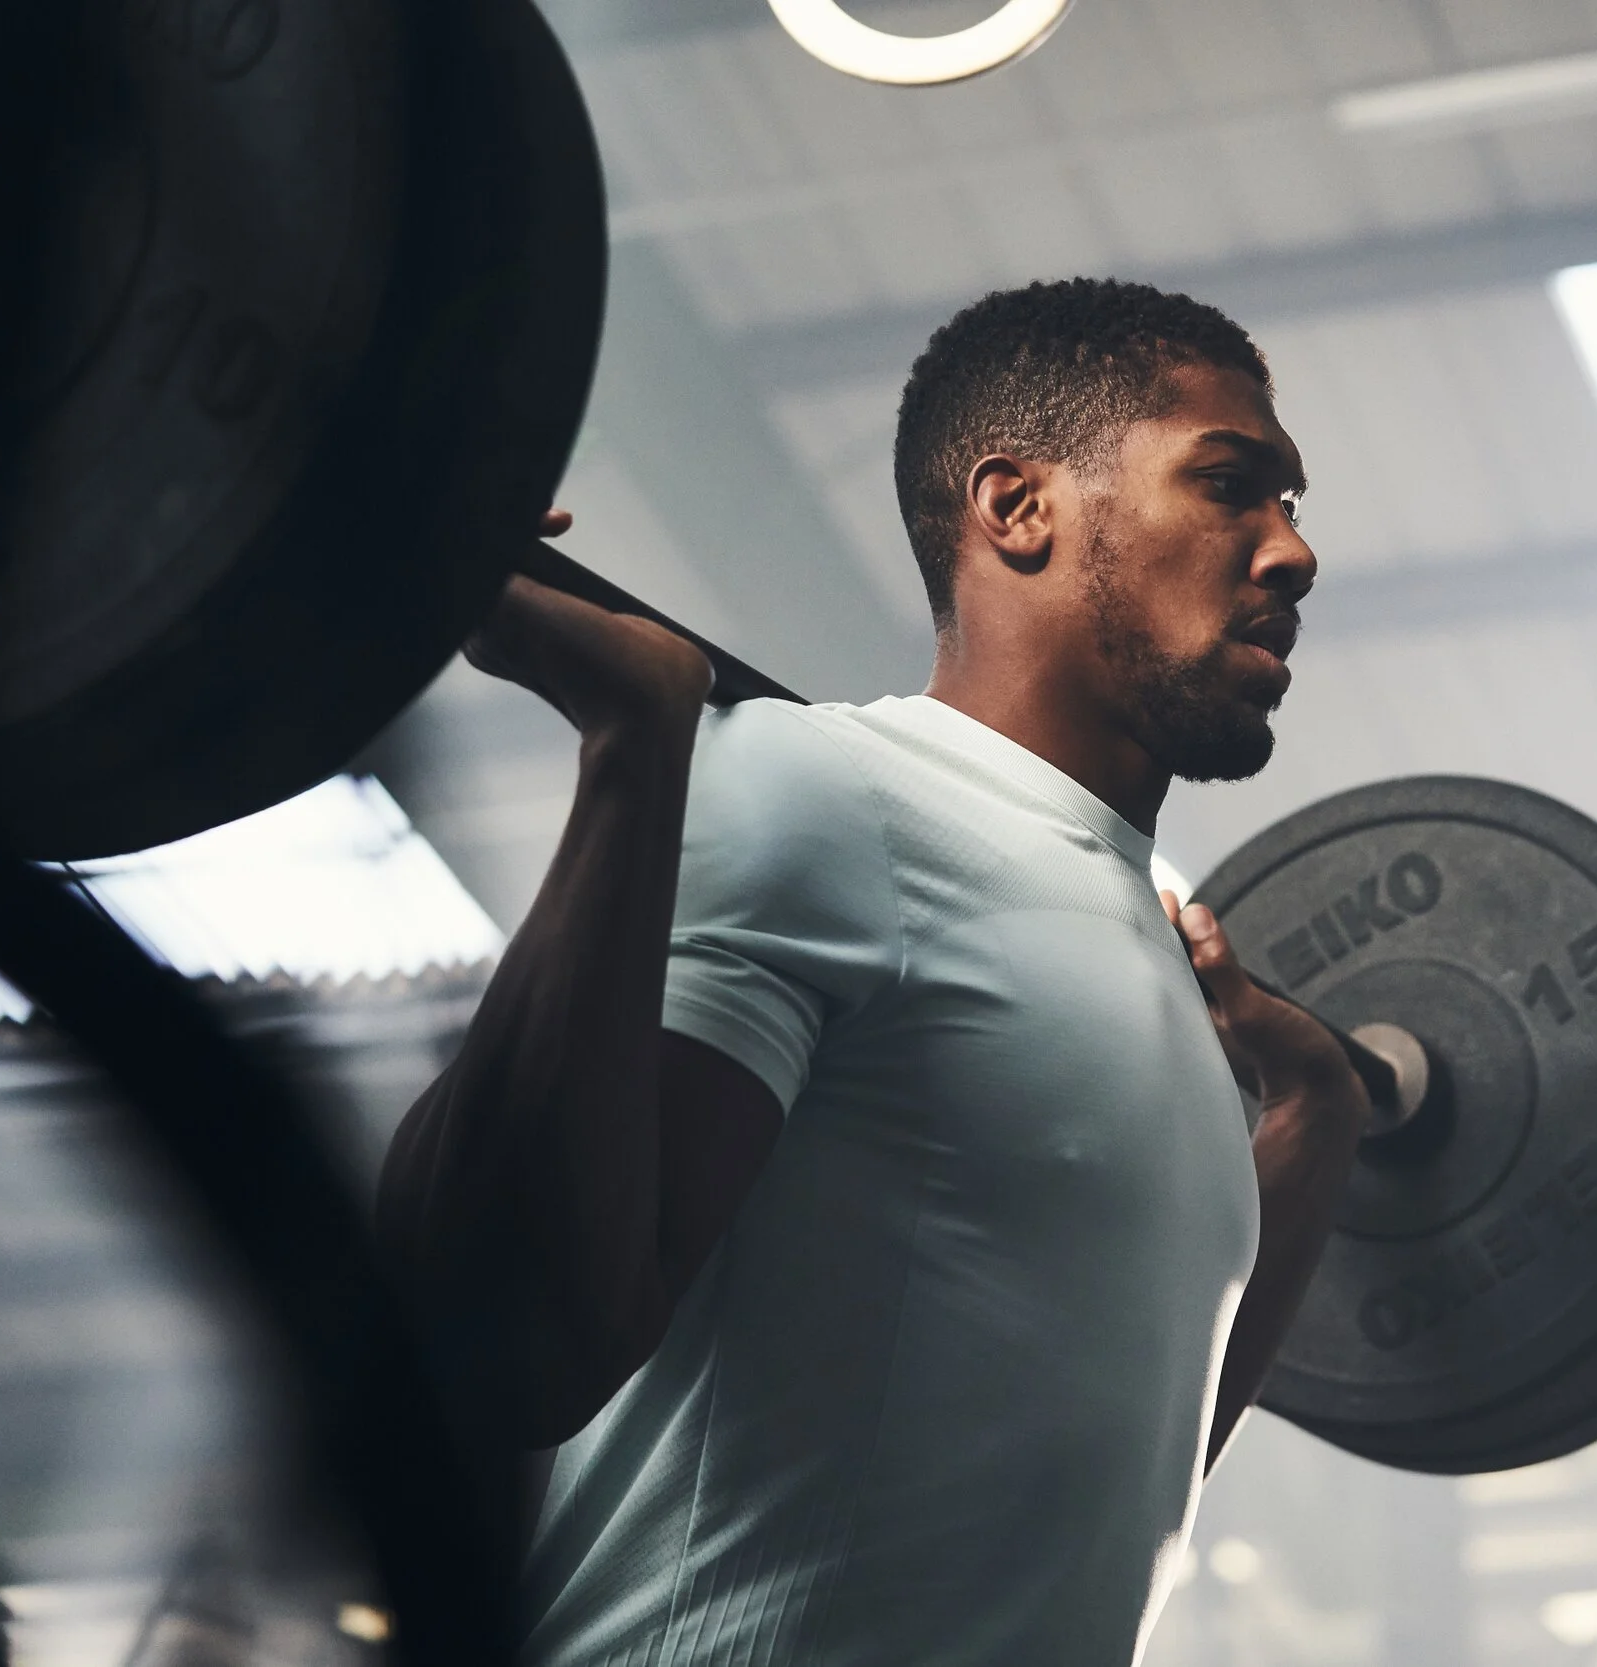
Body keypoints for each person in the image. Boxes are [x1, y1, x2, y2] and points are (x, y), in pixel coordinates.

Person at [376, 278, 1370, 1667]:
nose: (1295, 552)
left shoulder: (1149, 960)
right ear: (1016, 508)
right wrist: (635, 740)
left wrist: (1316, 1118)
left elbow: (1111, 1481)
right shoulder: (821, 791)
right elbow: (512, 1343)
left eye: (1294, 503)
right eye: (1230, 485)